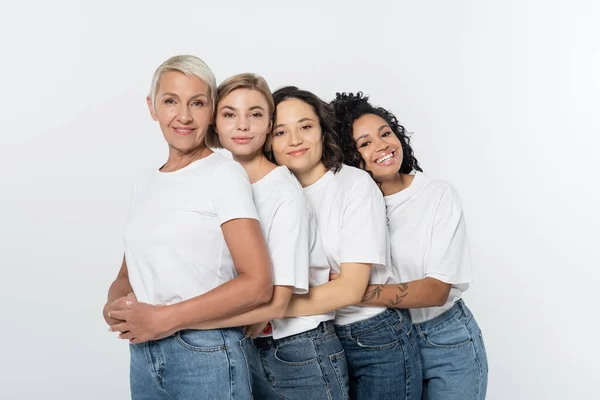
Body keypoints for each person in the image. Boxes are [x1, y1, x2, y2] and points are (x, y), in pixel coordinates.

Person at [102, 55, 273, 400]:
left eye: (197, 103)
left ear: (210, 111)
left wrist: (165, 318)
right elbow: (128, 273)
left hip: (206, 353)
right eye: (170, 101)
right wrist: (114, 306)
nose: (183, 116)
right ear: (152, 107)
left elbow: (257, 283)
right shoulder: (145, 183)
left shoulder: (223, 175)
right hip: (144, 354)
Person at [190, 72, 349, 399]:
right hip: (251, 344)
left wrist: (187, 321)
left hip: (300, 349)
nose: (243, 125)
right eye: (230, 114)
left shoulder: (283, 193)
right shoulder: (220, 184)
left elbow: (277, 302)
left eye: (256, 114)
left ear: (268, 125)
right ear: (215, 125)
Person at [266, 86, 422, 400]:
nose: (295, 140)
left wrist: (270, 311)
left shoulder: (354, 184)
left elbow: (350, 289)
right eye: (281, 131)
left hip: (375, 337)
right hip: (317, 337)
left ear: (323, 131)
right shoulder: (274, 192)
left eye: (305, 127)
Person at [331, 91, 489, 400]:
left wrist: (351, 292)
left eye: (385, 133)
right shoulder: (351, 206)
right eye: (365, 144)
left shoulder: (438, 196)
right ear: (349, 155)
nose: (382, 146)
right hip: (383, 343)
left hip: (446, 341)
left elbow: (436, 290)